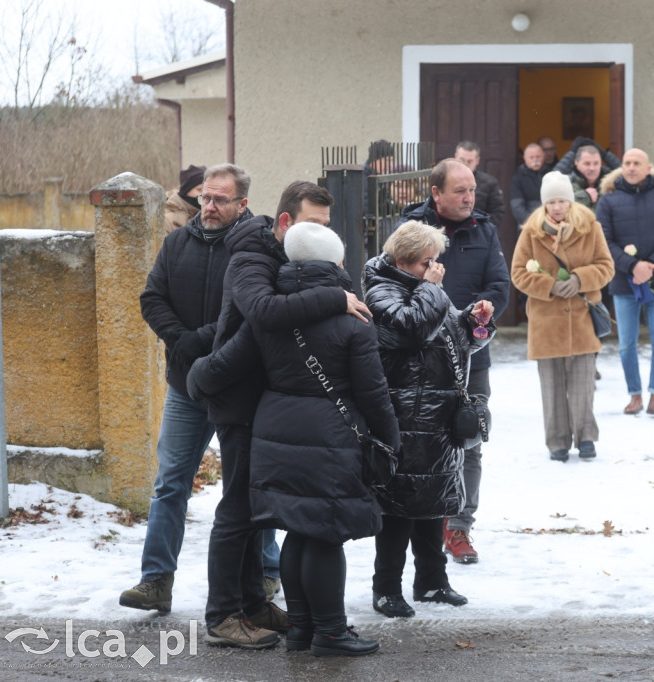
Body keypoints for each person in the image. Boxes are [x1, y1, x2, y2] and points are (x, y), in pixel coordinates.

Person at [188, 180, 370, 649]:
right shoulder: (252, 257)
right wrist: (334, 298)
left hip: (268, 406)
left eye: (326, 227)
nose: (320, 235)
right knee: (237, 511)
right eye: (313, 224)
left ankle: (253, 604)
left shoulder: (287, 257)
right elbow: (263, 312)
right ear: (286, 223)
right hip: (240, 401)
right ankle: (224, 615)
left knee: (258, 511)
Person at [221, 222, 398, 656]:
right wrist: (390, 440)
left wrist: (196, 380)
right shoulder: (353, 322)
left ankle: (301, 629)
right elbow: (373, 395)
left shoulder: (270, 315)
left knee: (299, 532)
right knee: (324, 535)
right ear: (334, 264)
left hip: (275, 429)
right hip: (329, 437)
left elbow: (226, 361)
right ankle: (332, 633)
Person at [125, 163, 255, 615]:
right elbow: (151, 298)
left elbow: (250, 307)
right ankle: (155, 580)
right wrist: (182, 342)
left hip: (237, 387)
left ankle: (266, 578)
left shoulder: (256, 247)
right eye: (205, 198)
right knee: (169, 484)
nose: (210, 206)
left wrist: (199, 341)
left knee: (249, 487)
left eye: (221, 199)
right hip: (185, 385)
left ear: (242, 203)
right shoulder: (177, 242)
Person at [363, 220, 497, 618]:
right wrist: (432, 289)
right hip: (403, 417)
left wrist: (475, 322)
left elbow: (451, 337)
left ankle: (432, 582)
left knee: (434, 503)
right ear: (405, 260)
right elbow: (414, 328)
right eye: (428, 262)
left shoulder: (424, 288)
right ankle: (386, 588)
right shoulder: (381, 290)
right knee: (397, 511)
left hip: (437, 419)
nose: (435, 267)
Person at [400, 159, 510, 565]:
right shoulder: (410, 230)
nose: (469, 198)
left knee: (469, 439)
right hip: (421, 358)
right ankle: (421, 527)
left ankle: (460, 526)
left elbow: (500, 284)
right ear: (436, 193)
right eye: (460, 191)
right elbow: (393, 285)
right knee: (421, 444)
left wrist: (486, 309)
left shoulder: (484, 230)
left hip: (471, 357)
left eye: (472, 191)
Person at [510, 171, 614, 461]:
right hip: (546, 322)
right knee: (552, 386)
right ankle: (557, 441)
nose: (557, 207)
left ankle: (587, 438)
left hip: (582, 319)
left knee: (583, 384)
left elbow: (607, 266)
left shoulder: (590, 227)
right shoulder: (531, 231)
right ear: (544, 204)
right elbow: (518, 273)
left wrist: (580, 279)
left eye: (562, 201)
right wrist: (549, 285)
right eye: (551, 202)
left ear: (570, 201)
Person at [596, 148, 654, 418]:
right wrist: (632, 265)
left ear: (648, 169)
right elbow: (604, 241)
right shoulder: (608, 199)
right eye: (627, 163)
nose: (631, 167)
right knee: (626, 343)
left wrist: (652, 265)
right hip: (624, 282)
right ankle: (634, 395)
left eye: (637, 163)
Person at [551, 136, 622, 210]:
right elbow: (556, 205)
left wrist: (604, 154)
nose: (592, 168)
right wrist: (584, 196)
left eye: (596, 163)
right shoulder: (565, 184)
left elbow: (625, 174)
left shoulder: (610, 185)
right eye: (587, 164)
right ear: (576, 162)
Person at [455, 140, 505, 227]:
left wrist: (480, 228)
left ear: (477, 161)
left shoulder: (490, 182)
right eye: (462, 160)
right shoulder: (446, 180)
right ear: (455, 157)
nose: (465, 164)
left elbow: (497, 213)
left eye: (470, 161)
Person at [510, 143, 546, 227]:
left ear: (543, 156)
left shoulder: (551, 174)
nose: (535, 160)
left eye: (538, 157)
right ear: (525, 158)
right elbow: (517, 208)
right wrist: (534, 224)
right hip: (529, 226)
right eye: (531, 157)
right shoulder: (518, 178)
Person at [164, 164, 205, 234]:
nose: (204, 194)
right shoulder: (167, 221)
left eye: (207, 189)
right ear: (187, 190)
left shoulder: (212, 217)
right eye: (200, 189)